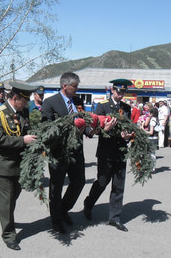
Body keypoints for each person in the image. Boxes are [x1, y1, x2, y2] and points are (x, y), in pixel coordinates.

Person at [0, 81, 37, 251]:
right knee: (7, 200)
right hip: (5, 165)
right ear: (15, 98)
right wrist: (22, 140)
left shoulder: (22, 112)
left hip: (19, 164)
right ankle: (9, 235)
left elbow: (26, 130)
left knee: (13, 196)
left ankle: (5, 216)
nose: (27, 104)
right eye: (25, 100)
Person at [41, 72, 90, 234]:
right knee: (56, 187)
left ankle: (63, 209)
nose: (77, 89)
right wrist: (69, 127)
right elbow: (47, 129)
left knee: (79, 182)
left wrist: (89, 130)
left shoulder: (78, 101)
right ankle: (56, 220)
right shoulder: (50, 103)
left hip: (77, 151)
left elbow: (85, 121)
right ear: (65, 86)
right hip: (58, 152)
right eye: (75, 86)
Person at [83, 79, 134, 232]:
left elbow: (128, 126)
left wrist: (127, 136)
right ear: (113, 90)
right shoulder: (103, 106)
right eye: (119, 91)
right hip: (106, 151)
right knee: (102, 182)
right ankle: (88, 204)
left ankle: (115, 218)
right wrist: (106, 129)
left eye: (123, 92)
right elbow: (97, 128)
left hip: (121, 151)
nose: (120, 95)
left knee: (119, 186)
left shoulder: (126, 108)